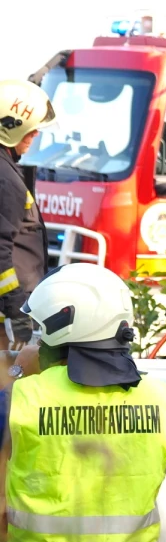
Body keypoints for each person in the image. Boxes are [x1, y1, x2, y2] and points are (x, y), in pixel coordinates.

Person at [1, 263, 166, 542]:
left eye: (40, 330)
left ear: (61, 329)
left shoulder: (18, 399)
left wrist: (16, 372)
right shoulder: (162, 399)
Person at [0, 80, 54, 348]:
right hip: (6, 320)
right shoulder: (5, 180)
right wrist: (16, 310)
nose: (35, 136)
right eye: (31, 131)